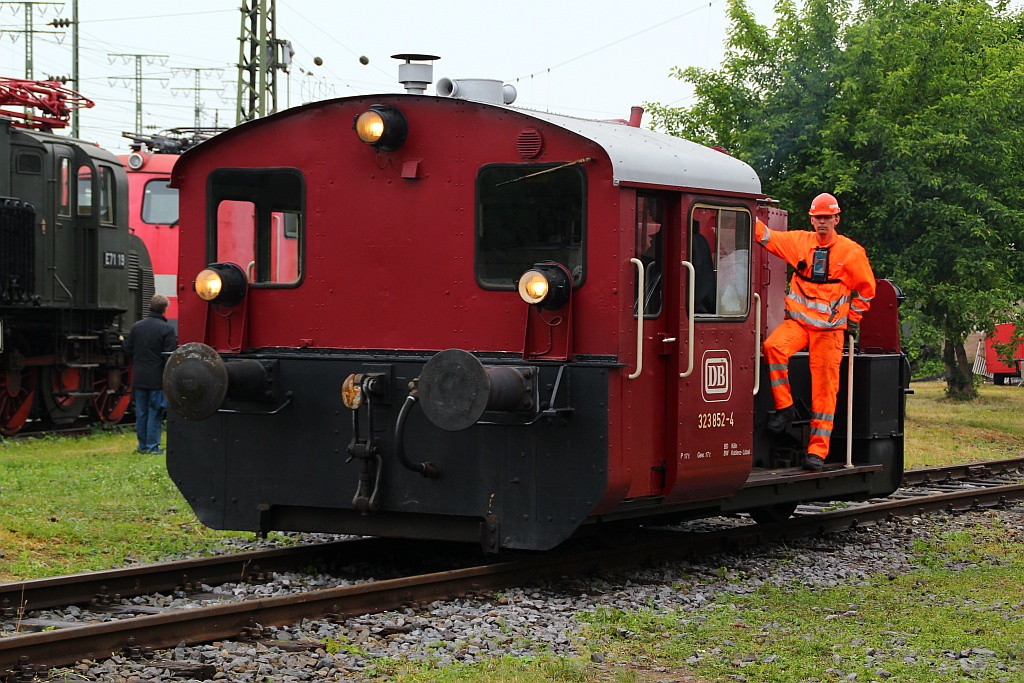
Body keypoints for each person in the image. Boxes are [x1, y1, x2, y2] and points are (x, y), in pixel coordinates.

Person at [754, 193, 875, 471]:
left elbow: (868, 290)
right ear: (812, 219)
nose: (822, 222)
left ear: (836, 219)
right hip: (798, 325)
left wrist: (853, 316)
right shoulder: (799, 242)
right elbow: (766, 237)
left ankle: (817, 452)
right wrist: (743, 207)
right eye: (818, 218)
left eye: (826, 218)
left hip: (829, 332)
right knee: (773, 347)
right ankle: (784, 410)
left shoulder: (851, 252)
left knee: (824, 392)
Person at [124, 294, 177, 454]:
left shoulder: (137, 326)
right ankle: (152, 446)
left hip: (139, 377)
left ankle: (142, 445)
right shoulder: (167, 329)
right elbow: (170, 356)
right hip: (157, 378)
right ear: (165, 309)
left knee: (141, 413)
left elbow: (128, 350)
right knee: (155, 411)